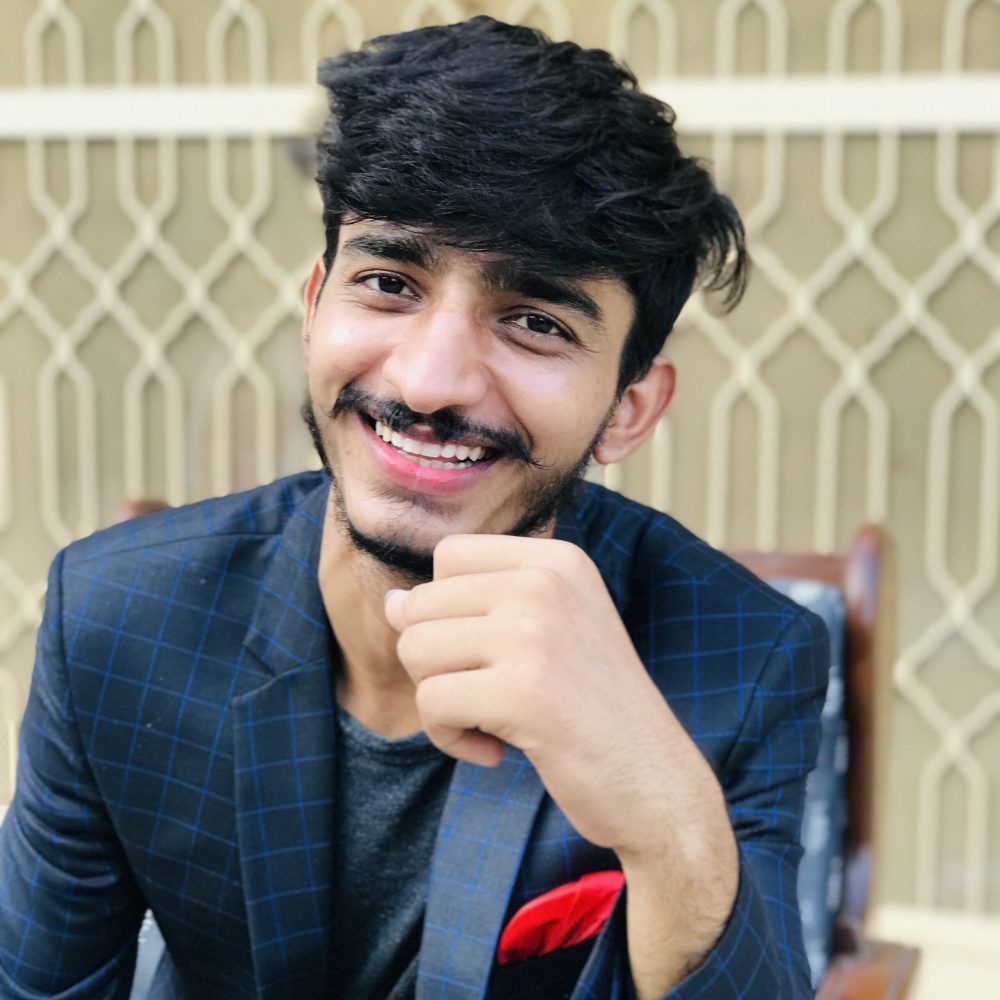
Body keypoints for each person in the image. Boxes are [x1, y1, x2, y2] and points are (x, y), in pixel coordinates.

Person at [0, 17, 828, 1000]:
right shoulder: (118, 616)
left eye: (534, 320)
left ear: (629, 408)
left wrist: (666, 816)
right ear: (314, 308)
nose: (430, 382)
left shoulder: (742, 661)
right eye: (389, 282)